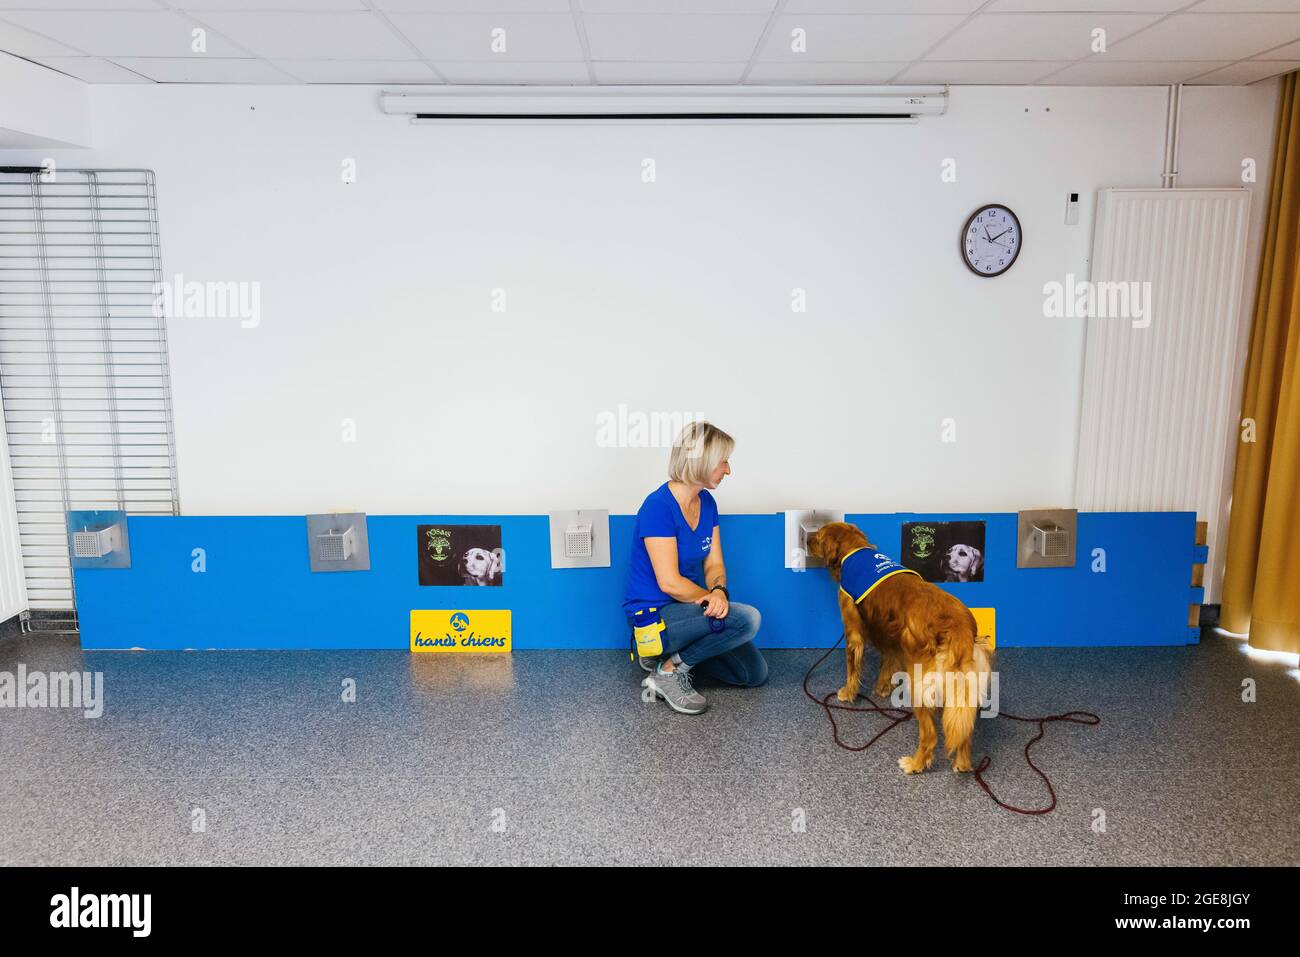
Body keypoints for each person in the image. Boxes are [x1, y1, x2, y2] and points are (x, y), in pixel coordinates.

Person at [623, 421, 767, 715]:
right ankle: (668, 670)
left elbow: (714, 563)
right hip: (654, 615)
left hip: (689, 611)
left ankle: (671, 657)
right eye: (723, 461)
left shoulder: (707, 503)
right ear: (703, 462)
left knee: (753, 674)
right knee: (747, 619)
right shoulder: (658, 507)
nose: (728, 470)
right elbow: (669, 583)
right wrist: (709, 600)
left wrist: (719, 592)